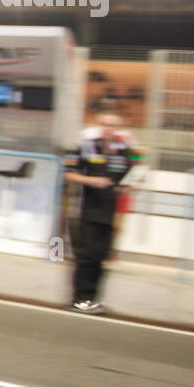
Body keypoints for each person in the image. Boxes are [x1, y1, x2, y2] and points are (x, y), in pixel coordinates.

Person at [63, 111, 134, 313]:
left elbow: (131, 173)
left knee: (100, 256)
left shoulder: (123, 150)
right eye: (105, 124)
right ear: (98, 125)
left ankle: (92, 298)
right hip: (88, 210)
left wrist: (126, 186)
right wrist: (91, 180)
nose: (108, 128)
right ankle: (80, 299)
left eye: (113, 125)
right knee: (87, 256)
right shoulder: (85, 146)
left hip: (110, 212)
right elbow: (68, 173)